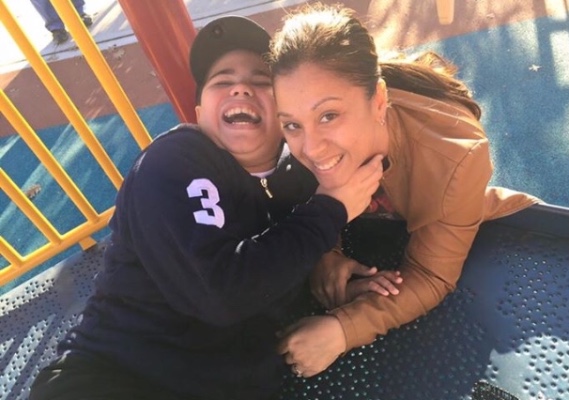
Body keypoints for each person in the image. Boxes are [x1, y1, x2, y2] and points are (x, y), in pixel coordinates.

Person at [28, 15, 386, 400]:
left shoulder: (297, 178)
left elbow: (270, 270)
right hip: (113, 374)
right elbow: (220, 291)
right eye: (221, 82)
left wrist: (326, 274)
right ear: (199, 115)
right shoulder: (175, 161)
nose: (241, 88)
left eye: (260, 81)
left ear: (286, 117)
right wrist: (330, 210)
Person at [269, 3, 541, 378]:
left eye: (329, 116)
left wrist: (341, 330)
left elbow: (430, 275)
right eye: (292, 125)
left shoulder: (455, 160)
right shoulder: (301, 151)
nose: (312, 149)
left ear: (379, 101)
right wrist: (326, 253)